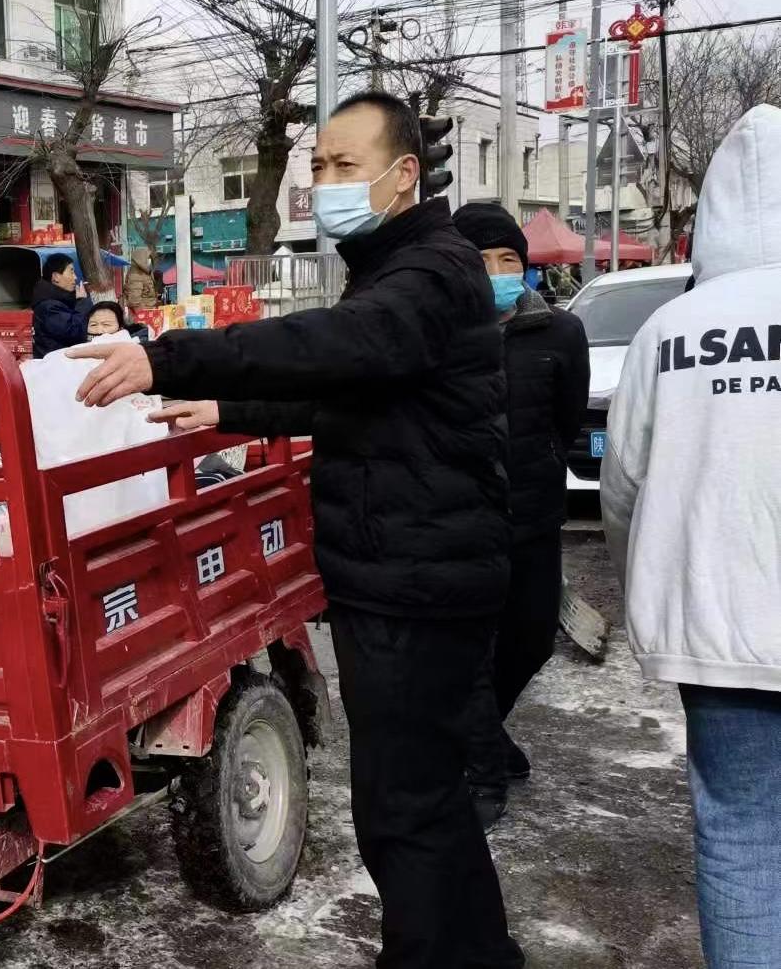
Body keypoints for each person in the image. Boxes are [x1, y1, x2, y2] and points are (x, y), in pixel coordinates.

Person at [69, 91, 521, 968]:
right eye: (317, 166)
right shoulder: (398, 266)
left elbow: (338, 347)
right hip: (407, 567)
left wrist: (165, 356)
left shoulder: (428, 271)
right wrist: (228, 408)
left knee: (401, 809)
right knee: (426, 796)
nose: (324, 182)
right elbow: (350, 389)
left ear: (402, 174)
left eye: (343, 166)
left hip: (416, 577)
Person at [602, 104, 781, 969]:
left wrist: (636, 581)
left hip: (719, 630)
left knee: (741, 836)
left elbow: (625, 488)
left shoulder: (666, 334)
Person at [452, 202, 590, 830]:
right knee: (472, 651)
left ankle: (481, 733)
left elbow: (567, 420)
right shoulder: (442, 337)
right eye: (482, 261)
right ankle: (480, 768)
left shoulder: (559, 333)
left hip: (534, 516)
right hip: (462, 521)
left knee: (532, 638)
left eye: (509, 260)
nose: (498, 272)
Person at [32, 252, 92, 358]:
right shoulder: (49, 307)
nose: (75, 277)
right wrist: (82, 301)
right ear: (55, 277)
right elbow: (75, 332)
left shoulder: (59, 301)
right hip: (55, 367)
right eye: (71, 272)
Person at [123, 246, 159, 310]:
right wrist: (143, 314)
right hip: (144, 313)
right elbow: (134, 300)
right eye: (147, 258)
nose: (149, 260)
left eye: (150, 258)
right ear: (140, 259)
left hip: (150, 310)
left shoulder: (145, 272)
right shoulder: (136, 274)